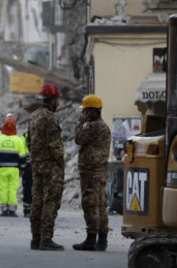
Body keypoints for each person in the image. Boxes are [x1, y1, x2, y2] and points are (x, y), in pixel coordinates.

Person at [28, 83, 65, 251]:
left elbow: (28, 141)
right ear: (53, 100)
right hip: (51, 166)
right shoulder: (51, 117)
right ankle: (46, 238)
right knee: (50, 201)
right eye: (57, 100)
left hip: (36, 165)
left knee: (37, 201)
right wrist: (61, 162)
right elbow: (55, 144)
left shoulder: (33, 116)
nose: (58, 103)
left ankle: (35, 238)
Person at [72, 94, 111, 252]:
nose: (85, 114)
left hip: (91, 172)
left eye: (86, 111)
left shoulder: (94, 126)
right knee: (100, 205)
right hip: (98, 171)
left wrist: (79, 123)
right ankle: (101, 240)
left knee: (90, 204)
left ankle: (91, 240)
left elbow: (78, 139)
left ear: (94, 111)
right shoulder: (102, 126)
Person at [0, 116, 26, 217]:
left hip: (2, 169)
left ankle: (4, 209)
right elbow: (22, 156)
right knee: (13, 188)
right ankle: (12, 210)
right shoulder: (18, 140)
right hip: (14, 169)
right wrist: (22, 168)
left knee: (3, 188)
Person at [21, 130, 33, 218]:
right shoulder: (42, 134)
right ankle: (29, 209)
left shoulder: (24, 136)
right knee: (30, 188)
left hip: (29, 165)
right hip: (31, 165)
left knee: (28, 187)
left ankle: (28, 209)